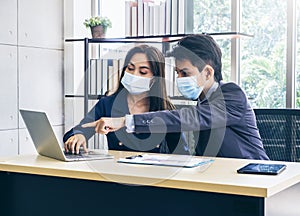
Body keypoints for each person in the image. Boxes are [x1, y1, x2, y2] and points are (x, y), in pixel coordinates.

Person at [87, 34, 269, 160]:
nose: (179, 79)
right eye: (177, 73)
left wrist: (126, 122)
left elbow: (188, 118)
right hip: (219, 179)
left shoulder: (231, 94)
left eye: (184, 72)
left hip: (254, 180)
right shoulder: (202, 101)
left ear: (207, 72)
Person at [63, 44, 189, 155]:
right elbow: (79, 129)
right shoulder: (107, 104)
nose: (134, 75)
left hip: (155, 177)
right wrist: (79, 135)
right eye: (130, 68)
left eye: (143, 72)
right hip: (117, 173)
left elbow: (182, 154)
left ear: (155, 78)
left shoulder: (166, 109)